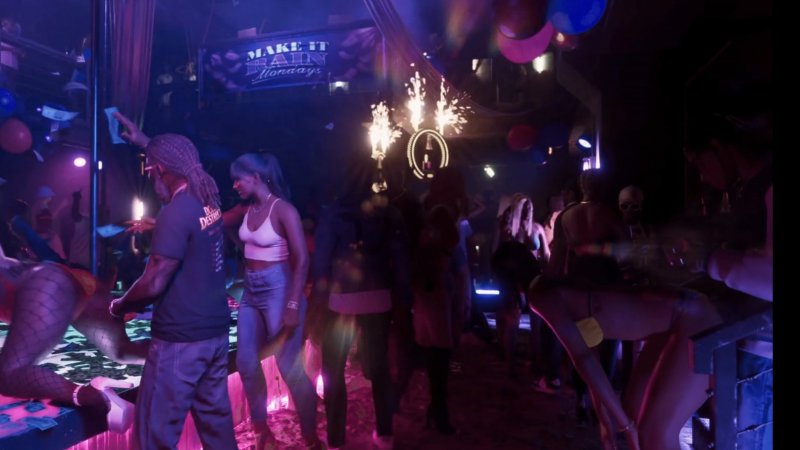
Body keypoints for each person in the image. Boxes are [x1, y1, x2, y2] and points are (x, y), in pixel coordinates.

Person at [110, 113, 236, 449]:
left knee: (154, 434)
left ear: (162, 169)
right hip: (214, 334)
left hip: (181, 341)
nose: (150, 176)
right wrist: (145, 142)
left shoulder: (175, 211)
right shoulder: (206, 196)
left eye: (150, 170)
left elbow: (154, 281)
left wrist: (120, 306)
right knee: (216, 425)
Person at [224, 152, 322, 449]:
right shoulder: (245, 208)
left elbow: (302, 259)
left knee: (289, 367)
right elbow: (214, 222)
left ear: (255, 177)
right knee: (245, 363)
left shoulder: (283, 210)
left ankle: (311, 437)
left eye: (238, 180)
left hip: (280, 289)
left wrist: (293, 304)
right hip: (251, 292)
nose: (235, 186)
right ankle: (262, 433)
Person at [312, 154, 409, 449]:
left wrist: (319, 297)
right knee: (379, 369)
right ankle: (385, 434)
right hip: (379, 297)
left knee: (333, 369)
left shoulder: (334, 212)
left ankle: (336, 439)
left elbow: (322, 259)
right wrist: (402, 297)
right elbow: (401, 260)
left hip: (341, 298)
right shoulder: (389, 212)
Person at [0, 244, 146, 433]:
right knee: (123, 351)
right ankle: (180, 354)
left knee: (8, 374)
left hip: (45, 288)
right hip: (73, 280)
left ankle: (93, 397)